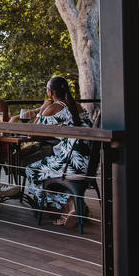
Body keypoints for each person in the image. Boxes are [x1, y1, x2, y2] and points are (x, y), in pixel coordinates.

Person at [24, 76, 92, 227]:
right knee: (49, 168)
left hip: (69, 163)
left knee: (31, 170)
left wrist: (42, 109)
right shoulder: (77, 106)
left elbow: (31, 132)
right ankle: (73, 205)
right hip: (88, 163)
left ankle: (62, 205)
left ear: (51, 92)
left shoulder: (54, 107)